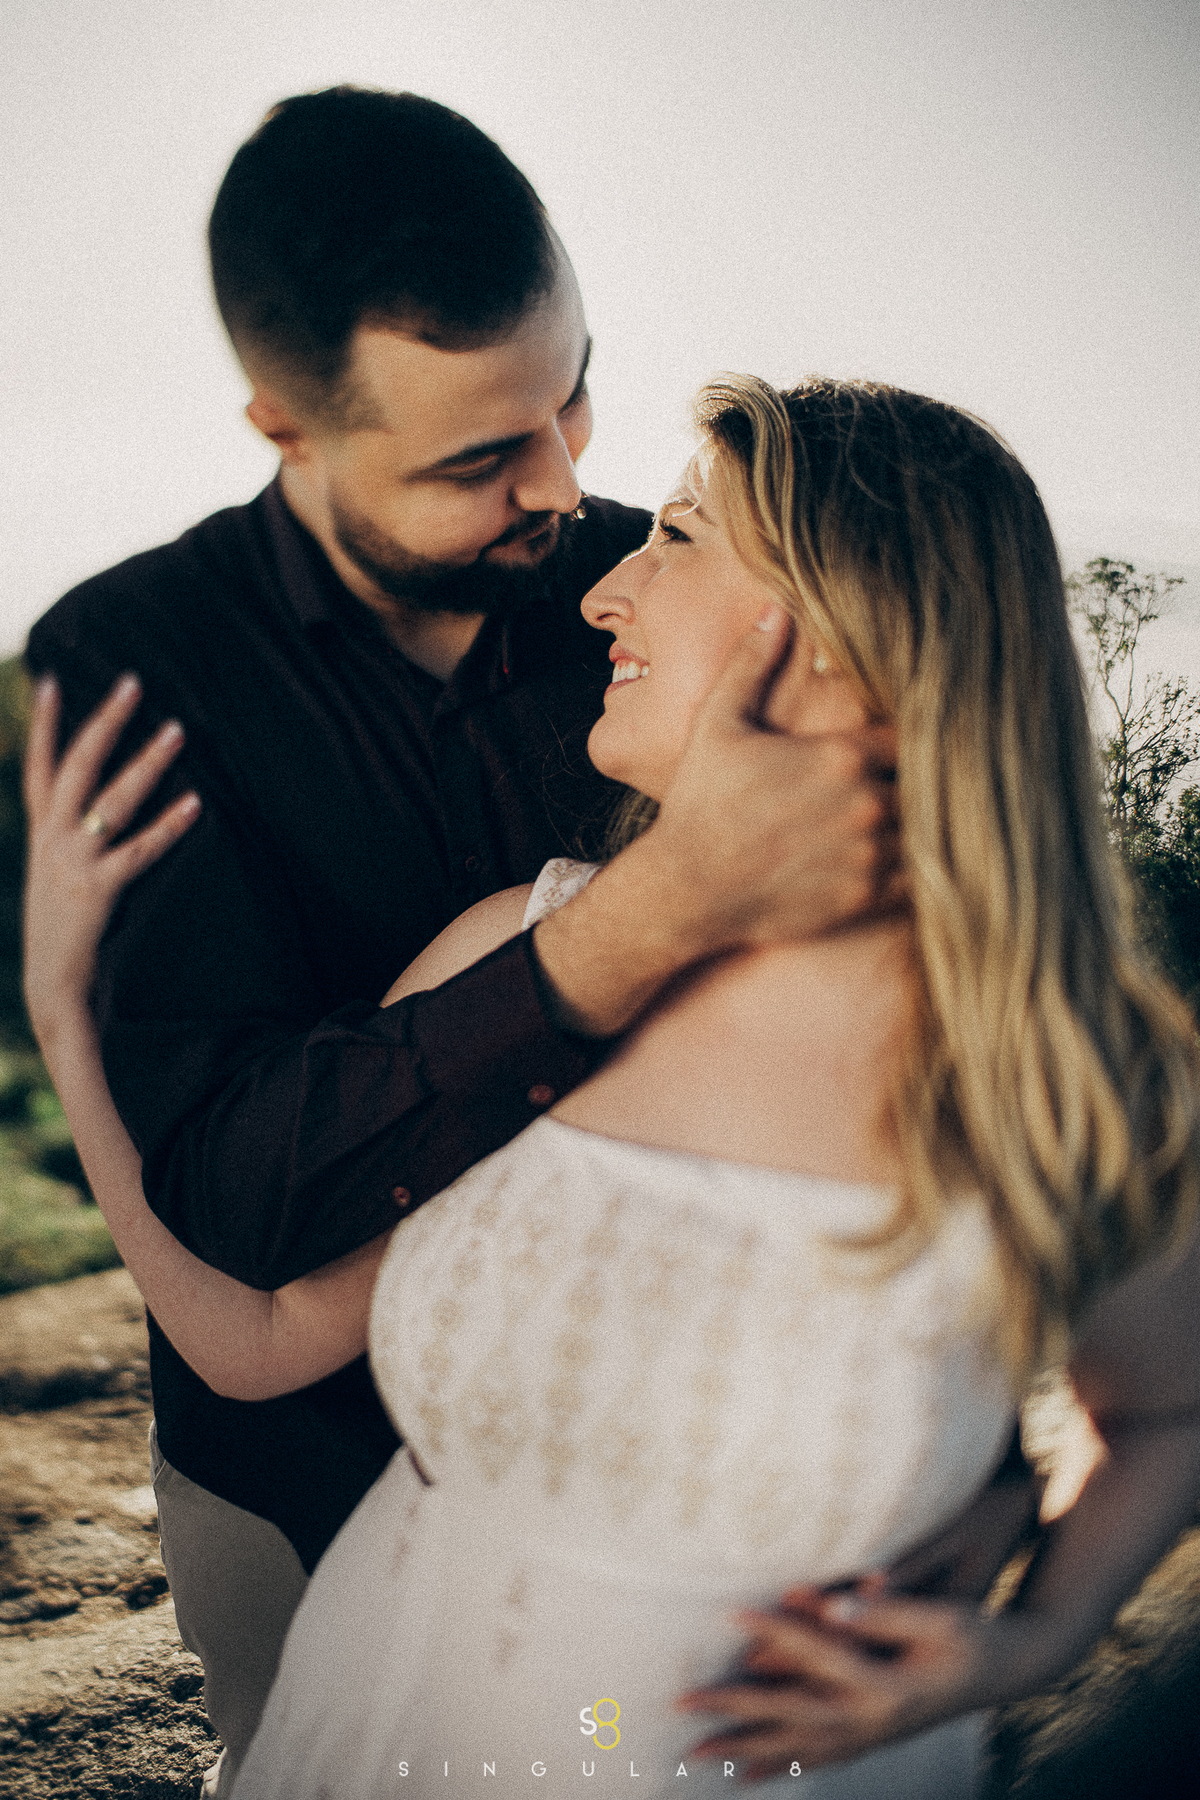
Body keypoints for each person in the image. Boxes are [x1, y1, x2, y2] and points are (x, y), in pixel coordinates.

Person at [25, 375, 1200, 1797]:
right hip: (386, 1717)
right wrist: (64, 1018)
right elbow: (255, 1341)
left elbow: (1163, 1411)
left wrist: (1038, 1638)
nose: (604, 592)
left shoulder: (1079, 1073)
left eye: (684, 536)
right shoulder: (517, 952)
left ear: (840, 631)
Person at [23, 88, 910, 1790]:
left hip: (671, 1530)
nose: (567, 488)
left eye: (574, 388)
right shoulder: (132, 670)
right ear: (286, 425)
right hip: (299, 1472)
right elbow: (236, 1209)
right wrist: (643, 918)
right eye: (481, 458)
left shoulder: (665, 598)